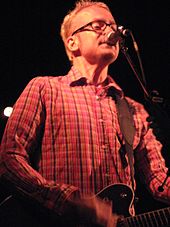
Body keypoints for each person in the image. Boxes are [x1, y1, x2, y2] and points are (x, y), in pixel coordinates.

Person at [0, 0, 170, 226]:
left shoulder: (133, 109)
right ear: (72, 42)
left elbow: (160, 182)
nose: (111, 31)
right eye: (99, 25)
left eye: (113, 25)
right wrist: (66, 201)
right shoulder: (44, 88)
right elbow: (8, 159)